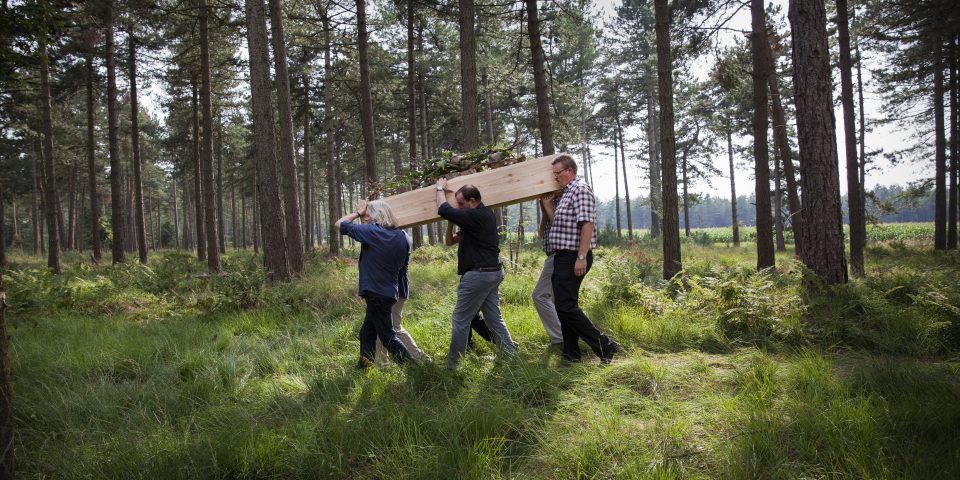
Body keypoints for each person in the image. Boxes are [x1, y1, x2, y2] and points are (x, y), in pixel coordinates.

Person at [541, 154, 621, 364]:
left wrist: (582, 257)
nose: (555, 177)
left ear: (570, 171)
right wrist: (548, 206)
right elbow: (561, 225)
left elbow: (587, 224)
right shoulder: (567, 193)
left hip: (573, 256)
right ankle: (571, 353)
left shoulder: (580, 190)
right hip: (562, 256)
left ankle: (605, 346)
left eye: (558, 173)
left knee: (565, 306)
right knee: (564, 305)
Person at [435, 178, 517, 368]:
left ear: (473, 201)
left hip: (479, 275)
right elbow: (449, 241)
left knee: (460, 319)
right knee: (494, 318)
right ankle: (510, 355)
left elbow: (443, 209)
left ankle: (454, 367)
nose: (460, 208)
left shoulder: (478, 216)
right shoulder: (476, 218)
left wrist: (439, 189)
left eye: (462, 204)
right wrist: (452, 220)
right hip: (492, 273)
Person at [335, 199, 416, 369]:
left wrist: (358, 212)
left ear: (378, 215)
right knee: (367, 332)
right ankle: (364, 366)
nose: (366, 217)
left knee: (387, 336)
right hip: (388, 292)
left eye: (368, 214)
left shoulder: (373, 233)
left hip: (376, 293)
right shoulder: (402, 237)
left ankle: (412, 367)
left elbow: (340, 224)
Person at [375, 229, 428, 364]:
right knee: (382, 328)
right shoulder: (396, 235)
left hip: (395, 291)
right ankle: (382, 364)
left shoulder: (399, 237)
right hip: (391, 290)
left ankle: (420, 358)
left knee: (394, 328)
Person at [444, 221, 495, 349]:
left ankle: (501, 342)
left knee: (468, 316)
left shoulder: (477, 229)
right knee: (471, 316)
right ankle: (469, 345)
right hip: (469, 276)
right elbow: (449, 241)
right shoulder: (464, 231)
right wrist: (450, 223)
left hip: (477, 276)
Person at [533, 198, 564, 351]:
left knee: (539, 295)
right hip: (552, 256)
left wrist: (548, 206)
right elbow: (541, 233)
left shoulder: (560, 202)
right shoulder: (548, 204)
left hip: (557, 256)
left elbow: (560, 227)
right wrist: (544, 211)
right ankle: (565, 336)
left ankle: (559, 339)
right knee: (555, 299)